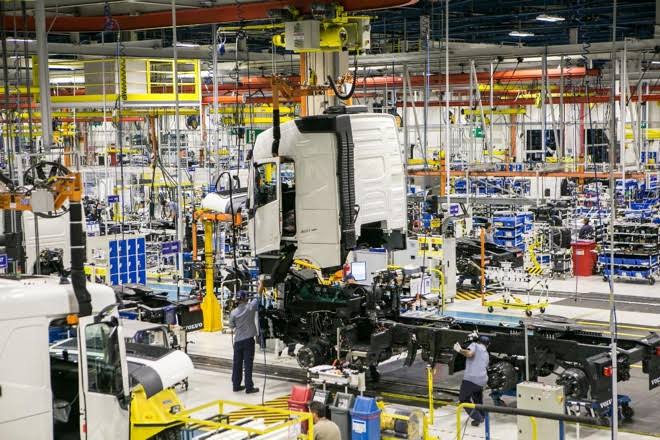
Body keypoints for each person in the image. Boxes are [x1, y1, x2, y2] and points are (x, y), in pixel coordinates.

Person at [454, 334, 490, 427]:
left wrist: (460, 350)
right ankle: (482, 416)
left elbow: (469, 354)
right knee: (477, 399)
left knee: (463, 400)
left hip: (471, 379)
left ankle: (478, 418)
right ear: (487, 345)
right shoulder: (486, 354)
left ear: (479, 342)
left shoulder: (475, 345)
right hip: (482, 380)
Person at [229, 290, 260, 394]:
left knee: (237, 363)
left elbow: (232, 326)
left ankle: (236, 385)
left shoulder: (233, 312)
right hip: (248, 341)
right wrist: (261, 284)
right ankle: (249, 387)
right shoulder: (250, 307)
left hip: (238, 341)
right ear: (245, 298)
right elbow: (258, 296)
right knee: (248, 364)